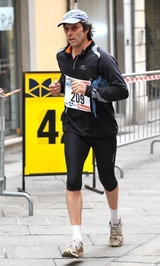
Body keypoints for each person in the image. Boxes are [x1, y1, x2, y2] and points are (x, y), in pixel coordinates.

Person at [48, 9, 129, 258]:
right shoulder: (62, 56)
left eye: (74, 29)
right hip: (74, 126)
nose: (70, 34)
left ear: (85, 29)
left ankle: (115, 222)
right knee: (73, 180)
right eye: (66, 29)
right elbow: (69, 79)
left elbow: (121, 90)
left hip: (102, 129)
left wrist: (91, 89)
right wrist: (59, 87)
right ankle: (76, 241)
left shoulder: (101, 58)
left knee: (107, 179)